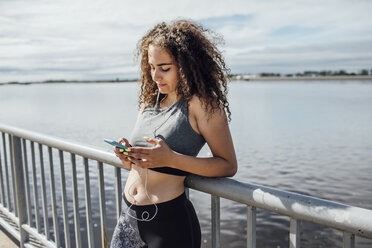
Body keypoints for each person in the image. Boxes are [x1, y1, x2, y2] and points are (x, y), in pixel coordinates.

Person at [110, 19, 237, 248]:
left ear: (186, 64)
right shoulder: (149, 102)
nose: (155, 75)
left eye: (165, 68)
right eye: (152, 67)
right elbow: (141, 166)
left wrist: (172, 159)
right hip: (128, 217)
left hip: (168, 225)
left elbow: (228, 165)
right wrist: (128, 156)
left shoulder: (203, 105)